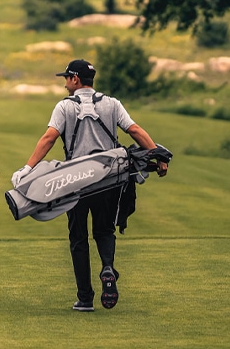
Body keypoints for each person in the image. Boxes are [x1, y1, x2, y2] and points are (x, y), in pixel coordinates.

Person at [11, 59, 168, 312]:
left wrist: (27, 169)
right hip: (109, 180)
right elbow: (135, 130)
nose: (64, 84)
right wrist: (158, 154)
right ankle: (107, 267)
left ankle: (85, 298)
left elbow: (49, 137)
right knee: (104, 231)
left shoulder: (64, 107)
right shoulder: (112, 103)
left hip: (75, 183)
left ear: (75, 79)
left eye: (66, 79)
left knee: (78, 238)